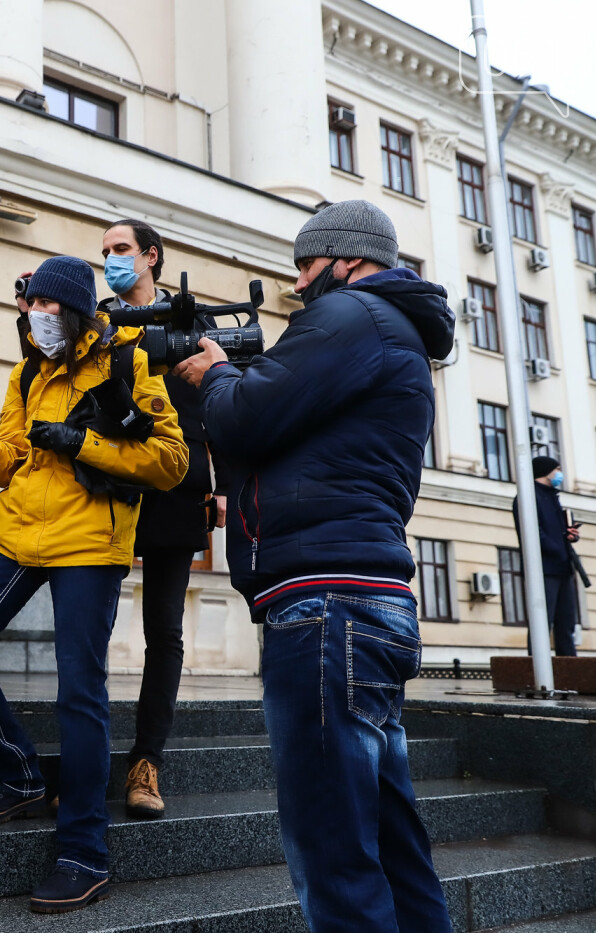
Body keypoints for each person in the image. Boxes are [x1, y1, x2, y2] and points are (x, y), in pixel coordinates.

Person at [176, 200, 456, 932]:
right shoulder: (390, 332)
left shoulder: (353, 316)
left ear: (349, 259)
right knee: (393, 842)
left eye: (306, 265)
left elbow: (243, 419)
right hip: (365, 604)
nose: (298, 284)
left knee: (332, 847)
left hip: (328, 607)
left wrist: (212, 375)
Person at [0, 256, 188, 914]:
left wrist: (82, 442)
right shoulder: (27, 371)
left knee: (80, 690)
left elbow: (171, 459)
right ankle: (17, 771)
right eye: (29, 306)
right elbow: (6, 461)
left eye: (45, 306)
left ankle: (83, 849)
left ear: (72, 311)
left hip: (89, 542)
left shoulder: (127, 359)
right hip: (15, 531)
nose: (34, 316)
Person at [99, 218, 230, 820]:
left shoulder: (189, 321)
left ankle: (146, 761)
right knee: (90, 624)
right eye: (106, 252)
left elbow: (223, 399)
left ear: (151, 257)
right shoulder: (98, 318)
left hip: (179, 484)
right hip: (110, 479)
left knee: (165, 633)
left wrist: (225, 484)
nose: (112, 260)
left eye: (121, 250)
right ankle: (87, 758)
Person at [514, 455, 581, 656]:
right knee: (542, 623)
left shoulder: (554, 498)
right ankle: (537, 669)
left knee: (566, 625)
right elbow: (532, 532)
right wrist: (557, 548)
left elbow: (560, 533)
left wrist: (571, 536)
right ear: (546, 471)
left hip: (563, 568)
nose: (560, 474)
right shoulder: (526, 497)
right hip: (542, 570)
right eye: (557, 469)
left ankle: (569, 673)